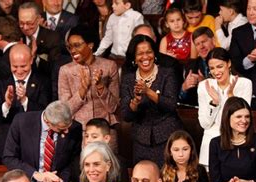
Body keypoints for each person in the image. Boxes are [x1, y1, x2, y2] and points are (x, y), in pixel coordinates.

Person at [3, 101, 82, 182]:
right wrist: (36, 175)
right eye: (62, 129)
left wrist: (59, 181)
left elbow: (73, 162)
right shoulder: (21, 122)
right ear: (48, 122)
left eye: (68, 126)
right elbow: (9, 158)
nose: (67, 131)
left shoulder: (75, 128)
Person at [120, 35, 182, 167]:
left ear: (154, 54)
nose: (145, 57)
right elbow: (126, 115)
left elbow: (171, 105)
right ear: (134, 59)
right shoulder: (128, 79)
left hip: (167, 136)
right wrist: (135, 102)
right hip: (141, 140)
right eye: (140, 54)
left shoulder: (167, 73)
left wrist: (148, 91)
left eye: (149, 52)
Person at [58, 25, 120, 151]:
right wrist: (82, 90)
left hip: (105, 131)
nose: (73, 50)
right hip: (78, 133)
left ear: (90, 45)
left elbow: (113, 107)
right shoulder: (65, 71)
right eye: (70, 47)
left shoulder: (109, 66)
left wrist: (100, 87)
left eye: (77, 45)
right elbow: (65, 111)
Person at [0, 43, 51, 159]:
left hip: (33, 144)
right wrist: (6, 104)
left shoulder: (43, 82)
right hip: (5, 146)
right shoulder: (1, 83)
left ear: (31, 60)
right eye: (15, 66)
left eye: (23, 66)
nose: (19, 71)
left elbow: (46, 113)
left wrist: (25, 100)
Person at [198, 47, 252, 169]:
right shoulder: (204, 86)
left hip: (236, 144)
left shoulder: (244, 84)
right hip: (210, 146)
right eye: (212, 68)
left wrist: (231, 97)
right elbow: (205, 124)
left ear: (229, 63)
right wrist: (215, 103)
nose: (216, 72)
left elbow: (242, 121)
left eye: (220, 66)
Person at [18, 2, 61, 77]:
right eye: (21, 23)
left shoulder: (52, 38)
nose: (25, 27)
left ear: (38, 20)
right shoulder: (16, 35)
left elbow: (54, 69)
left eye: (29, 23)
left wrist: (35, 58)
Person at [84, 118, 130, 182]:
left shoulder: (119, 162)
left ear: (106, 139)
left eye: (94, 137)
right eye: (86, 136)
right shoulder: (78, 161)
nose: (88, 140)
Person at [180, 27, 216, 106]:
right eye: (197, 44)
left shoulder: (225, 61)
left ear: (214, 40)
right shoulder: (191, 66)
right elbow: (182, 100)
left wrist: (205, 83)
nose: (201, 47)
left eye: (204, 41)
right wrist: (184, 88)